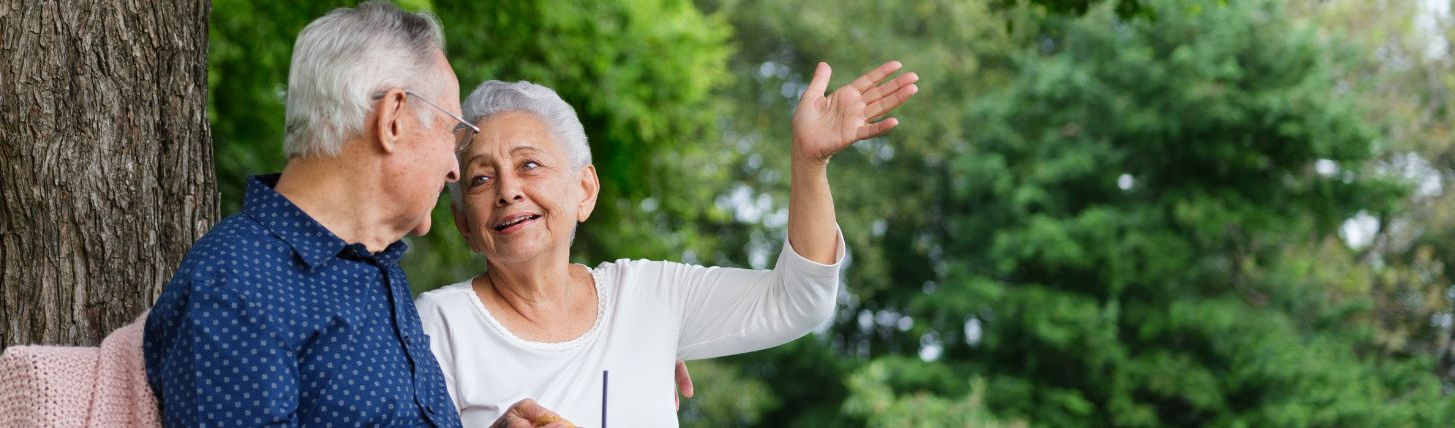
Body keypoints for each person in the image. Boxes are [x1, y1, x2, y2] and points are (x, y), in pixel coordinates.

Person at [416, 61, 919, 427]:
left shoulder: (651, 295)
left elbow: (798, 302)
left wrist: (809, 163)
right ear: (462, 221)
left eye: (530, 165)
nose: (508, 191)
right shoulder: (435, 327)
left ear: (584, 190)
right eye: (481, 179)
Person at [142, 2, 470, 426]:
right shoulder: (235, 287)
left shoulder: (371, 266)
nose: (455, 168)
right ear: (394, 119)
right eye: (453, 131)